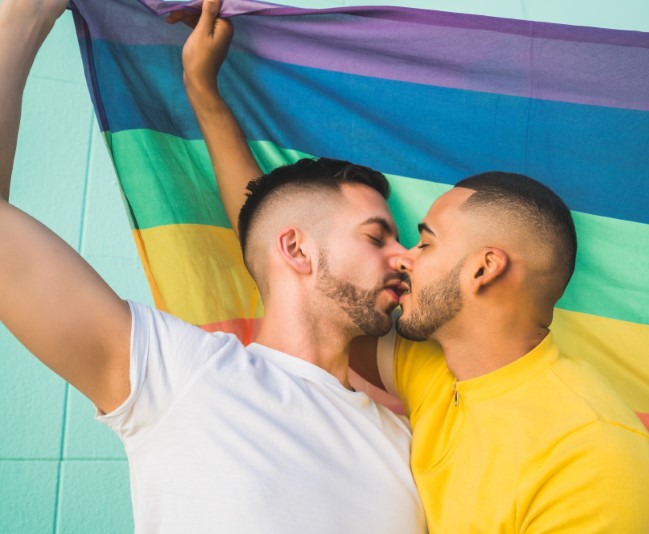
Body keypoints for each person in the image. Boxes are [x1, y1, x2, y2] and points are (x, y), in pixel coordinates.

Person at [179, 0, 649, 531]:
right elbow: (288, 261)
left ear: (483, 269)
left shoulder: (594, 457)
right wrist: (205, 96)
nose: (403, 258)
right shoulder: (438, 370)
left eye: (425, 243)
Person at [0, 1, 425, 532]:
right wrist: (27, 14)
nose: (405, 256)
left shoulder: (409, 437)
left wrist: (204, 93)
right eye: (377, 236)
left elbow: (268, 226)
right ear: (295, 251)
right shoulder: (181, 375)